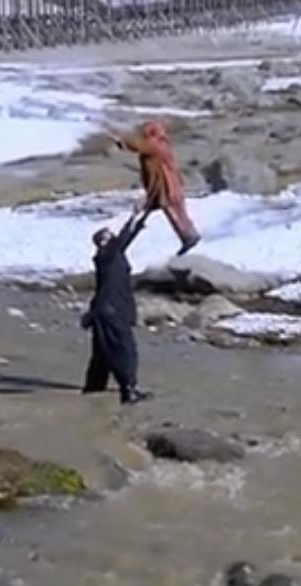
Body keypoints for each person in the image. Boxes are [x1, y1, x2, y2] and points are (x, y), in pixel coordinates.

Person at [80, 208, 153, 404]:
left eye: (110, 234)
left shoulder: (114, 254)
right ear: (100, 244)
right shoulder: (105, 257)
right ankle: (129, 390)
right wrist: (133, 218)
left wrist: (141, 217)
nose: (110, 237)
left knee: (103, 351)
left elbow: (125, 240)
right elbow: (122, 239)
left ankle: (94, 387)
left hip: (108, 309)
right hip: (110, 310)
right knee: (125, 350)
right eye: (106, 236)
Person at [107, 118, 199, 255]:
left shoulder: (154, 144)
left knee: (170, 209)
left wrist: (120, 140)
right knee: (177, 210)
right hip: (169, 182)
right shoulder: (163, 142)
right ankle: (189, 234)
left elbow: (138, 146)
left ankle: (187, 236)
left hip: (164, 183)